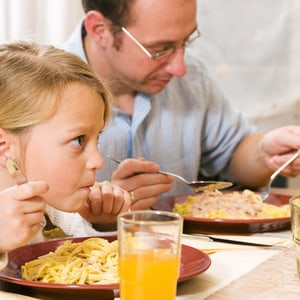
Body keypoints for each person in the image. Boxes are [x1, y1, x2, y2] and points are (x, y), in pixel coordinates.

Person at [59, 0, 300, 230]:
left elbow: (233, 152)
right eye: (160, 49)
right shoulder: (42, 90)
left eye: (186, 42)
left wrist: (265, 153)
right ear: (100, 30)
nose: (179, 67)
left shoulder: (190, 78)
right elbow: (34, 222)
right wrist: (100, 212)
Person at [0, 40, 131, 270]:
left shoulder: (52, 210)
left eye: (96, 137)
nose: (98, 161)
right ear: (4, 144)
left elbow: (81, 261)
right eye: (78, 140)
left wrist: (101, 223)